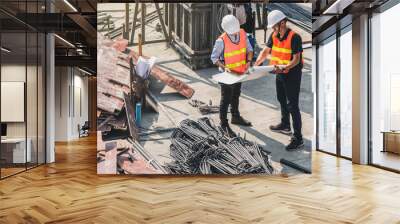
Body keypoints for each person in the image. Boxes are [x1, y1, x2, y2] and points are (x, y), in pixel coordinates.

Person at [254, 10, 304, 150]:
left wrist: (285, 67)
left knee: (292, 105)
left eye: (274, 26)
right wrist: (256, 65)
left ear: (282, 22)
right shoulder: (274, 34)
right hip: (280, 72)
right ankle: (285, 125)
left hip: (292, 74)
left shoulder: (295, 37)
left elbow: (296, 59)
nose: (273, 29)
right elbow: (265, 51)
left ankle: (298, 138)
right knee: (281, 99)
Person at [211, 14, 254, 137]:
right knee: (226, 99)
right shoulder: (221, 40)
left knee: (236, 95)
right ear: (226, 29)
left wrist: (249, 61)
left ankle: (235, 116)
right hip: (227, 75)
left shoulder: (242, 33)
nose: (235, 33)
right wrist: (225, 67)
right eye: (232, 32)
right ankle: (224, 124)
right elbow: (214, 58)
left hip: (239, 72)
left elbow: (249, 49)